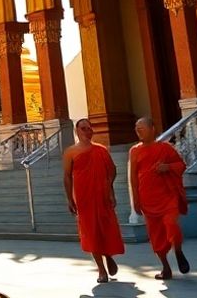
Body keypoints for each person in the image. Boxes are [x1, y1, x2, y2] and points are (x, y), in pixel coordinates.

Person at [62, 118, 125, 283]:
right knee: (91, 232)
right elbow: (67, 177)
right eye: (83, 128)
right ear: (76, 131)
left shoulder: (101, 150)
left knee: (106, 229)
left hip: (102, 196)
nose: (87, 131)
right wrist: (69, 199)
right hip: (84, 198)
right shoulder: (70, 152)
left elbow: (112, 171)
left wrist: (110, 191)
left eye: (89, 128)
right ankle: (101, 269)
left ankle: (108, 254)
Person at [129, 117, 190, 280]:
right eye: (136, 128)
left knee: (171, 224)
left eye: (141, 128)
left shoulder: (165, 148)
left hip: (167, 196)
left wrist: (167, 167)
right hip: (147, 198)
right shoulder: (134, 150)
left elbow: (181, 165)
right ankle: (165, 268)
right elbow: (133, 177)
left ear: (152, 129)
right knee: (156, 235)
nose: (138, 131)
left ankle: (178, 251)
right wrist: (135, 200)